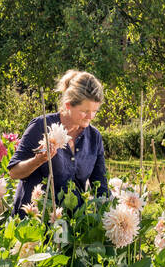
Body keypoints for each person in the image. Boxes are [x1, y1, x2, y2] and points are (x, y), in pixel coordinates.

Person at [8, 70, 109, 214]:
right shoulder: (41, 126)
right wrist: (38, 160)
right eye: (85, 111)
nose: (90, 116)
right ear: (68, 105)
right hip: (35, 220)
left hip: (71, 224)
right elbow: (14, 172)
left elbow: (101, 189)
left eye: (95, 111)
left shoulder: (94, 137)